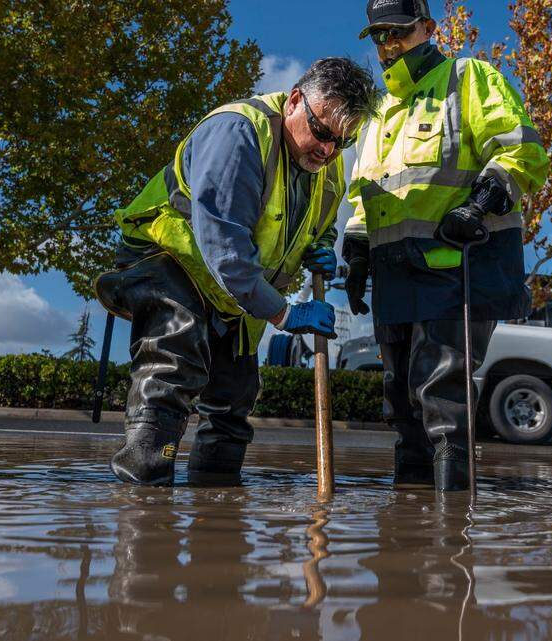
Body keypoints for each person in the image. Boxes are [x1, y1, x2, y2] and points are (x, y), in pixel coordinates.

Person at [96, 57, 379, 486]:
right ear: (295, 101)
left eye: (343, 141)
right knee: (176, 356)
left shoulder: (327, 162)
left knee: (235, 391)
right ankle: (144, 498)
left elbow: (319, 225)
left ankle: (216, 500)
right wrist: (283, 314)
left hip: (234, 289)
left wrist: (320, 247)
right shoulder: (239, 133)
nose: (327, 150)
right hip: (168, 257)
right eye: (321, 133)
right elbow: (224, 247)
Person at [343, 0, 549, 491]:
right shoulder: (376, 112)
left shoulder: (467, 79)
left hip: (456, 268)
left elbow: (523, 151)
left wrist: (476, 206)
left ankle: (447, 532)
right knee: (400, 404)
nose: (388, 46)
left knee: (443, 401)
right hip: (395, 277)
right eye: (379, 36)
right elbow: (363, 195)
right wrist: (356, 251)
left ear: (427, 28)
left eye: (399, 32)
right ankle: (406, 534)